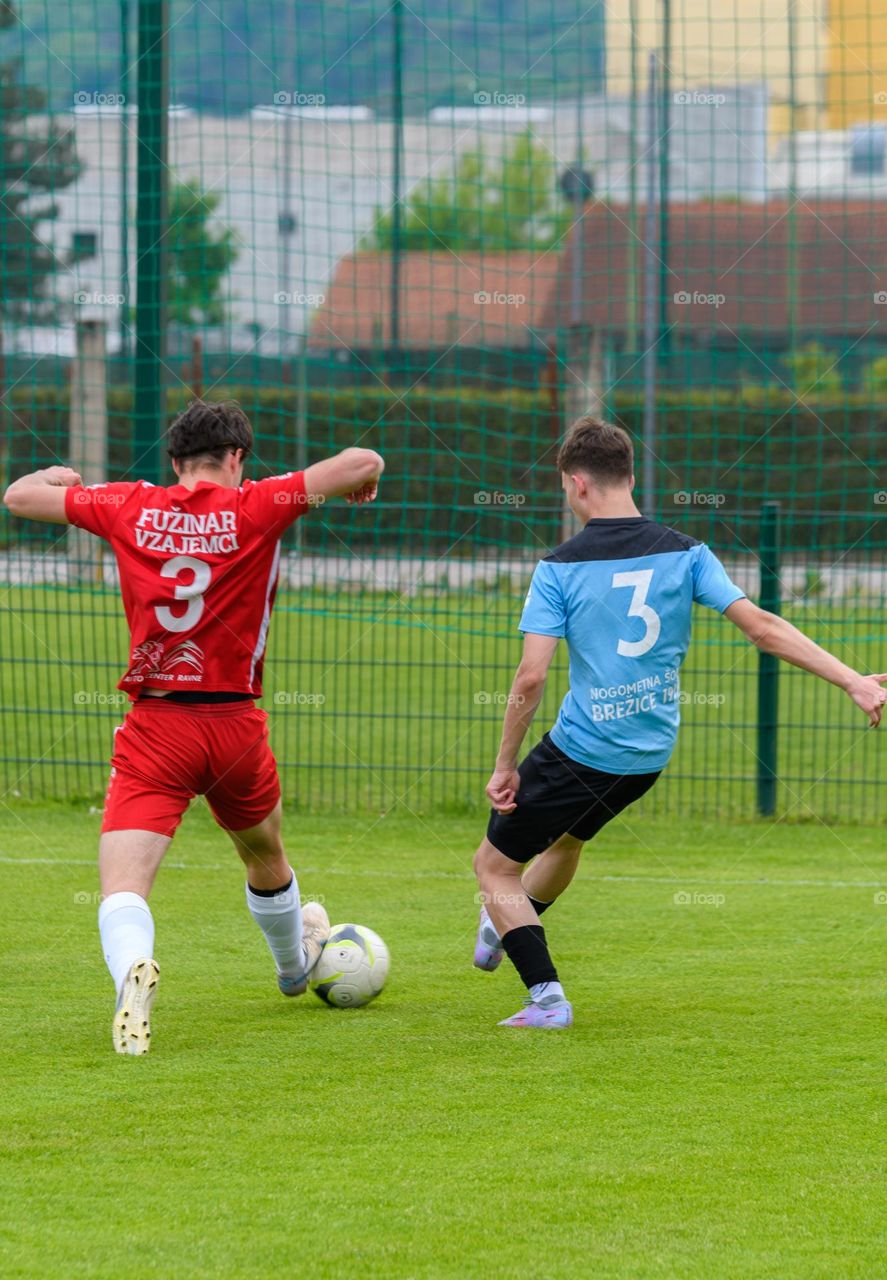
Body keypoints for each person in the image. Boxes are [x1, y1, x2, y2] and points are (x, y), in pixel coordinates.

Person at [472, 415, 886, 1029]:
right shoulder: (687, 551)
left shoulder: (558, 566)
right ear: (631, 475)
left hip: (582, 748)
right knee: (567, 838)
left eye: (564, 486)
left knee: (493, 867)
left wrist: (506, 765)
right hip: (648, 755)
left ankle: (545, 995)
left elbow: (531, 678)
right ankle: (507, 924)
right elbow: (763, 628)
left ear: (577, 484)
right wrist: (851, 679)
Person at [4, 399, 384, 1055]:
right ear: (236, 457)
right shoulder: (258, 506)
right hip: (235, 725)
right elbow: (362, 460)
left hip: (157, 727)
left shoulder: (129, 506)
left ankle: (133, 973)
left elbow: (17, 497)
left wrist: (60, 475)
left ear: (175, 461)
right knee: (264, 855)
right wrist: (364, 479)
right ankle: (294, 970)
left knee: (124, 885)